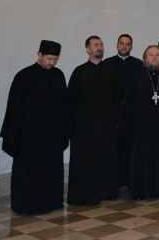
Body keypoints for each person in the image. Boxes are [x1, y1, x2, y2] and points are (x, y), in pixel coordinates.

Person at [0, 40, 67, 215]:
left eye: (55, 59)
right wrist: (14, 136)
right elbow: (14, 109)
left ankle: (52, 202)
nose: (52, 63)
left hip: (52, 136)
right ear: (39, 55)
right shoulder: (23, 76)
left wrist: (64, 131)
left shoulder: (58, 76)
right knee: (29, 173)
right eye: (49, 59)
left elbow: (64, 106)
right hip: (29, 137)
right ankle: (27, 205)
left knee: (51, 172)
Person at [67, 36, 119, 205]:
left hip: (106, 125)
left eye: (101, 45)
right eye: (96, 45)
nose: (100, 47)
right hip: (84, 127)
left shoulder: (111, 71)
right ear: (87, 49)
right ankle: (85, 194)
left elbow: (117, 98)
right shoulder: (79, 72)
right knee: (86, 161)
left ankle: (107, 191)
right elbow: (70, 100)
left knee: (106, 158)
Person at [121, 45, 159, 199]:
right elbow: (128, 102)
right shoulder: (136, 76)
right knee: (141, 158)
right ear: (145, 59)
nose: (154, 57)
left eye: (157, 55)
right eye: (151, 55)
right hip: (141, 126)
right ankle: (140, 191)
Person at [103, 33, 143, 188]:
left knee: (131, 149)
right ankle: (115, 183)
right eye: (122, 43)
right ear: (117, 45)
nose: (124, 46)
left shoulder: (139, 64)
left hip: (133, 114)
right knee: (114, 149)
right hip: (113, 114)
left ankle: (131, 181)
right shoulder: (107, 64)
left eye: (127, 44)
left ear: (131, 46)